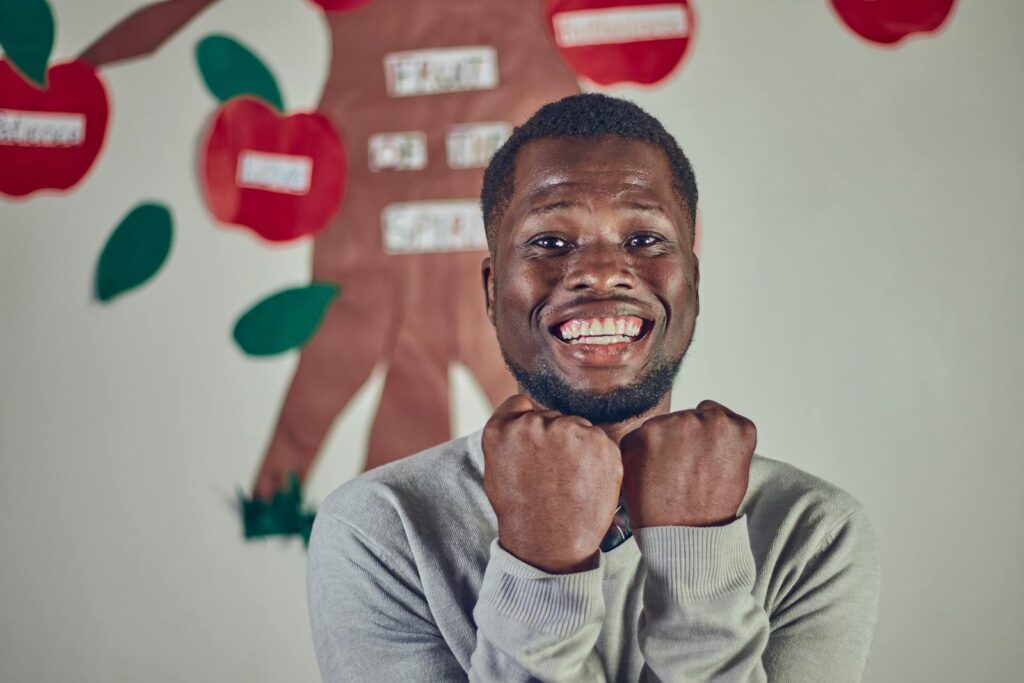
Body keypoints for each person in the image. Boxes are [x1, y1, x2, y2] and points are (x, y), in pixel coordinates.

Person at [307, 93, 881, 682]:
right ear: (490, 288)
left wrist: (699, 558)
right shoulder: (382, 528)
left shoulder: (811, 529)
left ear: (693, 280)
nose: (604, 272)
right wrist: (541, 566)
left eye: (644, 240)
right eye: (550, 242)